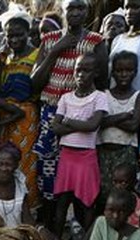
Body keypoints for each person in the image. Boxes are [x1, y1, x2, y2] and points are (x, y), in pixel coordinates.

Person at [33, 0, 106, 209]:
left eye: (80, 8)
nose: (75, 13)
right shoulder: (49, 40)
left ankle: (74, 220)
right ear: (62, 11)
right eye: (70, 8)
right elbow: (35, 82)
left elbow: (101, 80)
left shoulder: (95, 41)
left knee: (77, 168)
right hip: (51, 111)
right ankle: (50, 218)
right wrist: (57, 50)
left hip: (82, 111)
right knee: (47, 166)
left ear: (87, 12)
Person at [50, 54, 108, 240]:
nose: (81, 74)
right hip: (67, 155)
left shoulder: (100, 97)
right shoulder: (66, 98)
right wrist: (80, 124)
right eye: (78, 70)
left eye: (86, 70)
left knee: (88, 202)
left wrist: (68, 121)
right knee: (62, 201)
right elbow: (55, 127)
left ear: (96, 72)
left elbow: (93, 125)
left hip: (86, 156)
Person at [0, 12, 41, 210]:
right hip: (4, 116)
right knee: (4, 163)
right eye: (10, 36)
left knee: (26, 163)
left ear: (28, 33)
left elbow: (34, 87)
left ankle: (27, 209)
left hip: (25, 118)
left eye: (19, 35)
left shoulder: (36, 55)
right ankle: (7, 206)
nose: (14, 40)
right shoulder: (3, 59)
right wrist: (2, 62)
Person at [99, 51, 140, 197]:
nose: (124, 74)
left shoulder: (139, 96)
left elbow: (133, 126)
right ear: (112, 73)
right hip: (103, 152)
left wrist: (110, 120)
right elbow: (99, 123)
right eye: (119, 71)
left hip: (126, 152)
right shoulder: (104, 95)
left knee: (124, 192)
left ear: (135, 72)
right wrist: (123, 116)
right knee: (103, 191)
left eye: (128, 70)